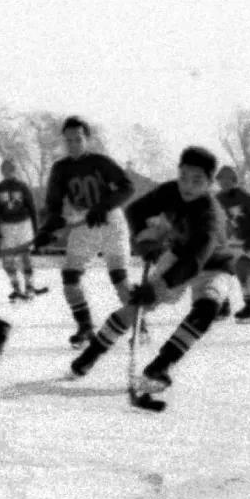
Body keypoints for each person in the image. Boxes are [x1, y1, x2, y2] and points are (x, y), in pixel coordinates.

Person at [68, 146, 235, 393]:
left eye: (197, 180)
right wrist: (145, 241)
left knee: (207, 308)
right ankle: (90, 355)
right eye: (183, 177)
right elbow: (135, 211)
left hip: (213, 266)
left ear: (211, 183)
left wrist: (158, 286)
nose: (187, 186)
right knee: (138, 305)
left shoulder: (211, 217)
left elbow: (194, 262)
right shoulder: (170, 191)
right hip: (178, 254)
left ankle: (161, 366)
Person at [34, 116, 135, 348]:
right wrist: (47, 229)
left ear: (87, 139)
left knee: (119, 278)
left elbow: (127, 187)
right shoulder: (60, 169)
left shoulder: (100, 162)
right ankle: (85, 328)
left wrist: (103, 206)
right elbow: (54, 206)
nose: (73, 144)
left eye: (78, 139)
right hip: (82, 223)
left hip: (110, 221)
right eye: (68, 140)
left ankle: (139, 324)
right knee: (70, 279)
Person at [213, 166, 250, 324]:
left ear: (234, 181)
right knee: (219, 268)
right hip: (239, 237)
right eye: (221, 179)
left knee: (243, 267)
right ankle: (223, 307)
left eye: (228, 179)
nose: (224, 183)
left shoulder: (244, 196)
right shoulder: (218, 198)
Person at [0, 158, 41, 302]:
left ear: (15, 170)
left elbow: (32, 209)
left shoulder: (23, 186)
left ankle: (29, 288)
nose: (8, 173)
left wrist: (36, 231)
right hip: (6, 226)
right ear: (2, 171)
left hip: (24, 225)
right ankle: (16, 288)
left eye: (11, 169)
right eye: (5, 170)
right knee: (7, 260)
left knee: (25, 257)